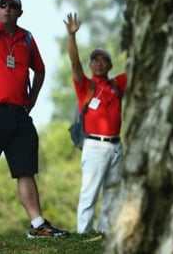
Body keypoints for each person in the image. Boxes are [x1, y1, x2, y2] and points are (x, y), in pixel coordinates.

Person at [0, 0, 69, 239]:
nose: (6, 9)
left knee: (25, 169)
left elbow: (40, 69)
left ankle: (37, 224)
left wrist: (33, 98)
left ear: (19, 12)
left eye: (11, 6)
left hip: (18, 115)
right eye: (2, 5)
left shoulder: (26, 38)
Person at [64, 12, 127, 234]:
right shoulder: (86, 86)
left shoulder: (117, 84)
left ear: (110, 64)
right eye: (95, 59)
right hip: (95, 146)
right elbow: (73, 61)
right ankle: (83, 233)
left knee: (112, 191)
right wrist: (72, 36)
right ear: (90, 64)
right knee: (89, 192)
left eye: (103, 59)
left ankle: (104, 233)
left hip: (116, 146)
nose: (99, 63)